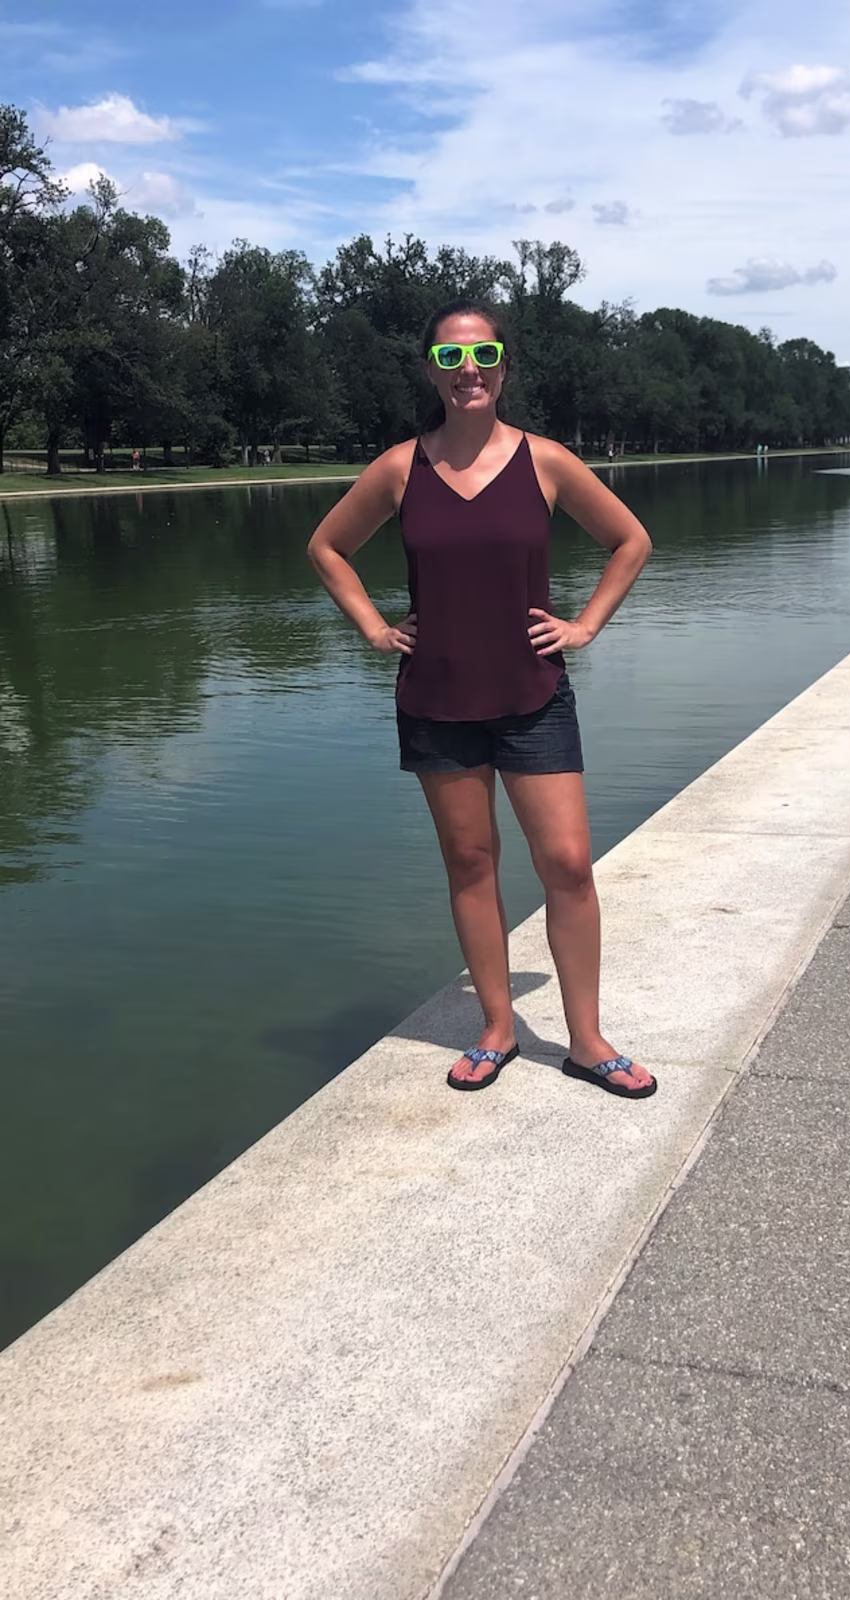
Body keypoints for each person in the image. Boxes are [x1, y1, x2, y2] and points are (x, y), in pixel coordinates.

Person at [307, 298, 657, 1099]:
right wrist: (370, 626)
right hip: (436, 700)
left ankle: (586, 1039)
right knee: (471, 863)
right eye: (452, 359)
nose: (470, 372)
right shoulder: (402, 467)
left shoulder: (546, 461)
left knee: (568, 865)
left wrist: (586, 625)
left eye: (484, 356)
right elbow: (326, 547)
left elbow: (630, 541)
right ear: (431, 370)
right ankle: (497, 1027)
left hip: (534, 696)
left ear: (506, 366)